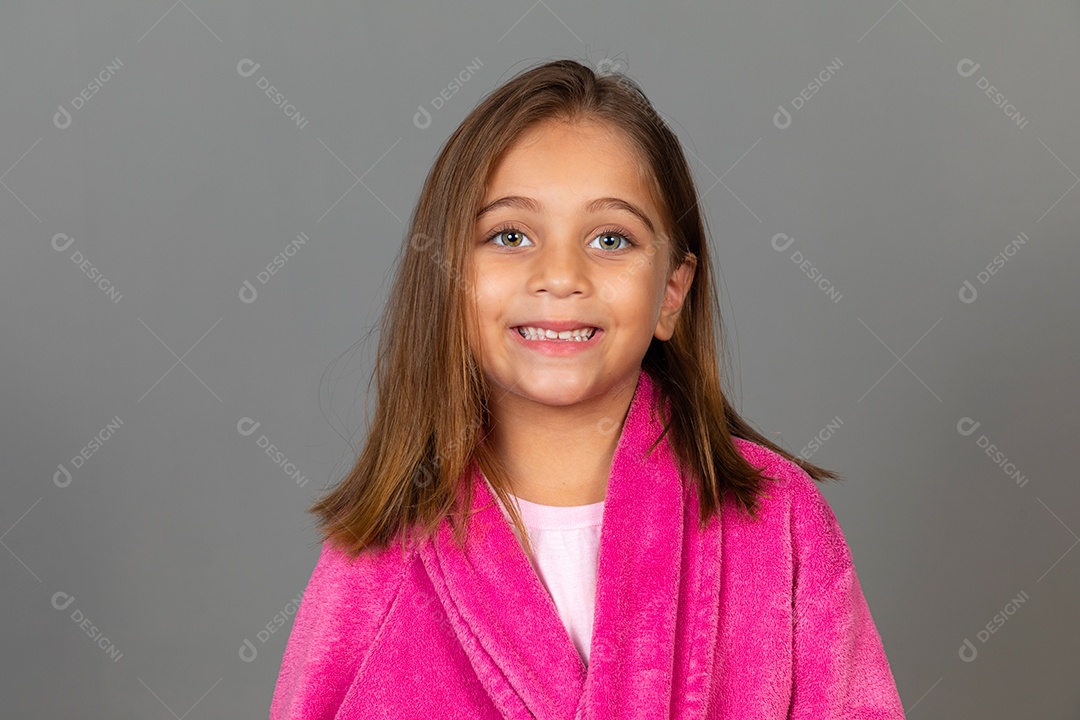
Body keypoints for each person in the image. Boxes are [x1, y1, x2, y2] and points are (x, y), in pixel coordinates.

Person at [269, 58, 906, 719]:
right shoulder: (375, 558)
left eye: (610, 238)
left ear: (671, 292)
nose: (561, 274)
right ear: (450, 279)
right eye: (510, 235)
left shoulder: (778, 524)